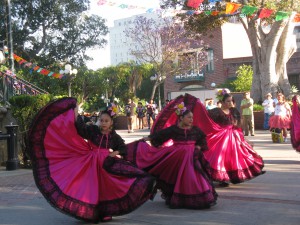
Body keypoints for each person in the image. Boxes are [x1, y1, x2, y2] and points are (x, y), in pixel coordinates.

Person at [28, 97, 155, 223]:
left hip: (106, 164)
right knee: (93, 188)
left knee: (107, 188)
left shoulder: (113, 136)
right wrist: (75, 112)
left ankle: (105, 212)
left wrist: (114, 153)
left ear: (111, 122)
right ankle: (92, 211)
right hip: (91, 163)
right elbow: (80, 128)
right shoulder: (93, 130)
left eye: (106, 121)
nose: (103, 123)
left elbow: (122, 148)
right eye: (101, 120)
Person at [125, 96, 218, 209]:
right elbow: (160, 135)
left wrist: (198, 147)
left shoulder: (195, 130)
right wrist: (146, 139)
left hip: (191, 158)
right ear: (181, 118)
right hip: (176, 157)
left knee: (193, 178)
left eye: (192, 118)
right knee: (177, 177)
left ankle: (197, 198)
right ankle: (178, 197)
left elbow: (202, 140)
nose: (191, 120)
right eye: (188, 117)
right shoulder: (174, 129)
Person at [203, 93, 265, 186]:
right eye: (228, 101)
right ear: (222, 102)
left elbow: (239, 125)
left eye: (231, 101)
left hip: (234, 136)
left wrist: (242, 137)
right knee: (220, 158)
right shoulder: (216, 111)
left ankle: (232, 176)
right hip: (221, 138)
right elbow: (207, 121)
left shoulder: (234, 111)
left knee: (235, 157)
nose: (230, 103)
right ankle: (222, 179)